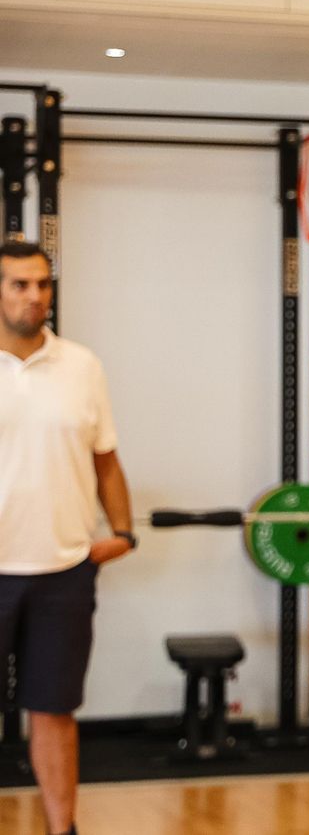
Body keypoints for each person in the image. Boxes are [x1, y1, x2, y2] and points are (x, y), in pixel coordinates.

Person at [0, 241, 135, 835]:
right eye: (19, 284)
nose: (35, 295)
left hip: (63, 574)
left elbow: (106, 459)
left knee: (54, 710)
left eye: (42, 284)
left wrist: (124, 533)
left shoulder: (82, 365)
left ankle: (63, 830)